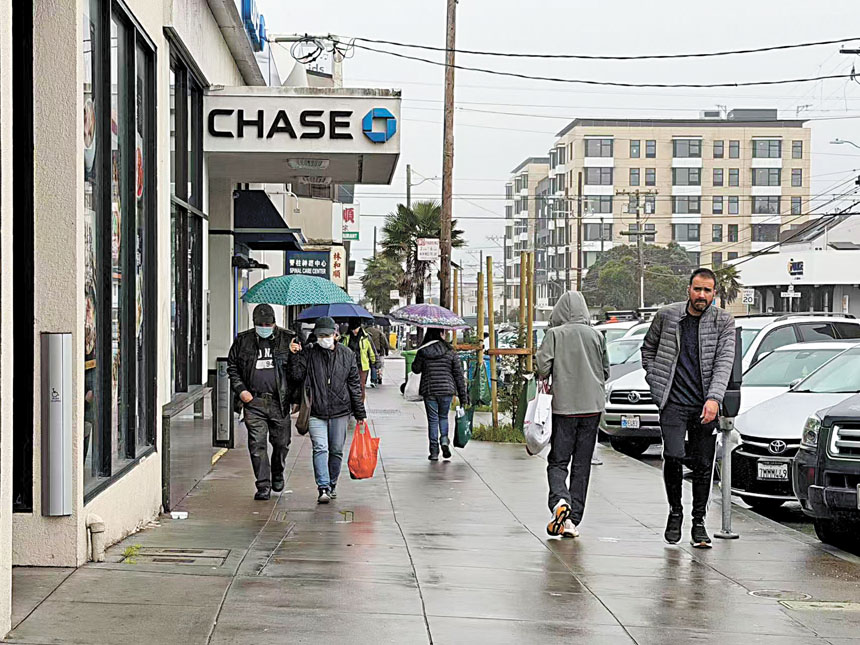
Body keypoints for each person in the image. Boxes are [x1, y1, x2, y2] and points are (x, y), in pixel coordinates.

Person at [641, 268, 736, 548]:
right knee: (672, 455)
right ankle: (675, 512)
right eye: (697, 289)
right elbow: (648, 348)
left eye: (707, 291)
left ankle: (698, 522)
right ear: (688, 290)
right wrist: (655, 379)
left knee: (703, 464)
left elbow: (724, 363)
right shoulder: (668, 316)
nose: (702, 295)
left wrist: (714, 399)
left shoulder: (724, 322)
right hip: (673, 402)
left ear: (714, 294)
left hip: (704, 404)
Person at [536, 291, 609, 539]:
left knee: (558, 461)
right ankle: (573, 520)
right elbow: (606, 371)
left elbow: (542, 368)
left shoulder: (554, 335)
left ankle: (560, 501)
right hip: (592, 408)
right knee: (582, 464)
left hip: (563, 408)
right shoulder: (597, 336)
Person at [226, 304, 300, 501]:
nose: (265, 327)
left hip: (279, 401)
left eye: (268, 324)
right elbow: (232, 366)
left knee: (281, 443)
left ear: (275, 323)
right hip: (254, 401)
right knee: (257, 444)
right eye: (261, 324)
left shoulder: (288, 338)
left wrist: (295, 355)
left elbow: (297, 372)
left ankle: (277, 472)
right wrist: (241, 390)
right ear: (254, 324)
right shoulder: (243, 340)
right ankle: (263, 485)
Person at [290, 317, 366, 504]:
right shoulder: (308, 353)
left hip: (341, 411)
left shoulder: (347, 355)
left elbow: (354, 384)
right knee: (321, 448)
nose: (324, 338)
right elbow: (296, 376)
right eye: (320, 335)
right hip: (316, 410)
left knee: (336, 450)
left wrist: (360, 413)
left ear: (336, 335)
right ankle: (323, 486)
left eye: (327, 335)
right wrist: (295, 356)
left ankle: (332, 483)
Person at [412, 328, 469, 461]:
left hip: (430, 390)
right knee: (443, 417)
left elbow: (415, 369)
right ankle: (444, 440)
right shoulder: (450, 352)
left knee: (433, 420)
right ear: (441, 334)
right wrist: (463, 396)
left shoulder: (423, 351)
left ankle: (434, 451)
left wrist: (419, 356)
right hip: (446, 390)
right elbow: (458, 376)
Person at [343, 317, 376, 400]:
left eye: (356, 328)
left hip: (362, 366)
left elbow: (371, 351)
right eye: (352, 329)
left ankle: (360, 404)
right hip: (349, 366)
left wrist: (375, 363)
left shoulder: (366, 337)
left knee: (361, 386)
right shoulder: (346, 337)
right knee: (349, 385)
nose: (354, 331)